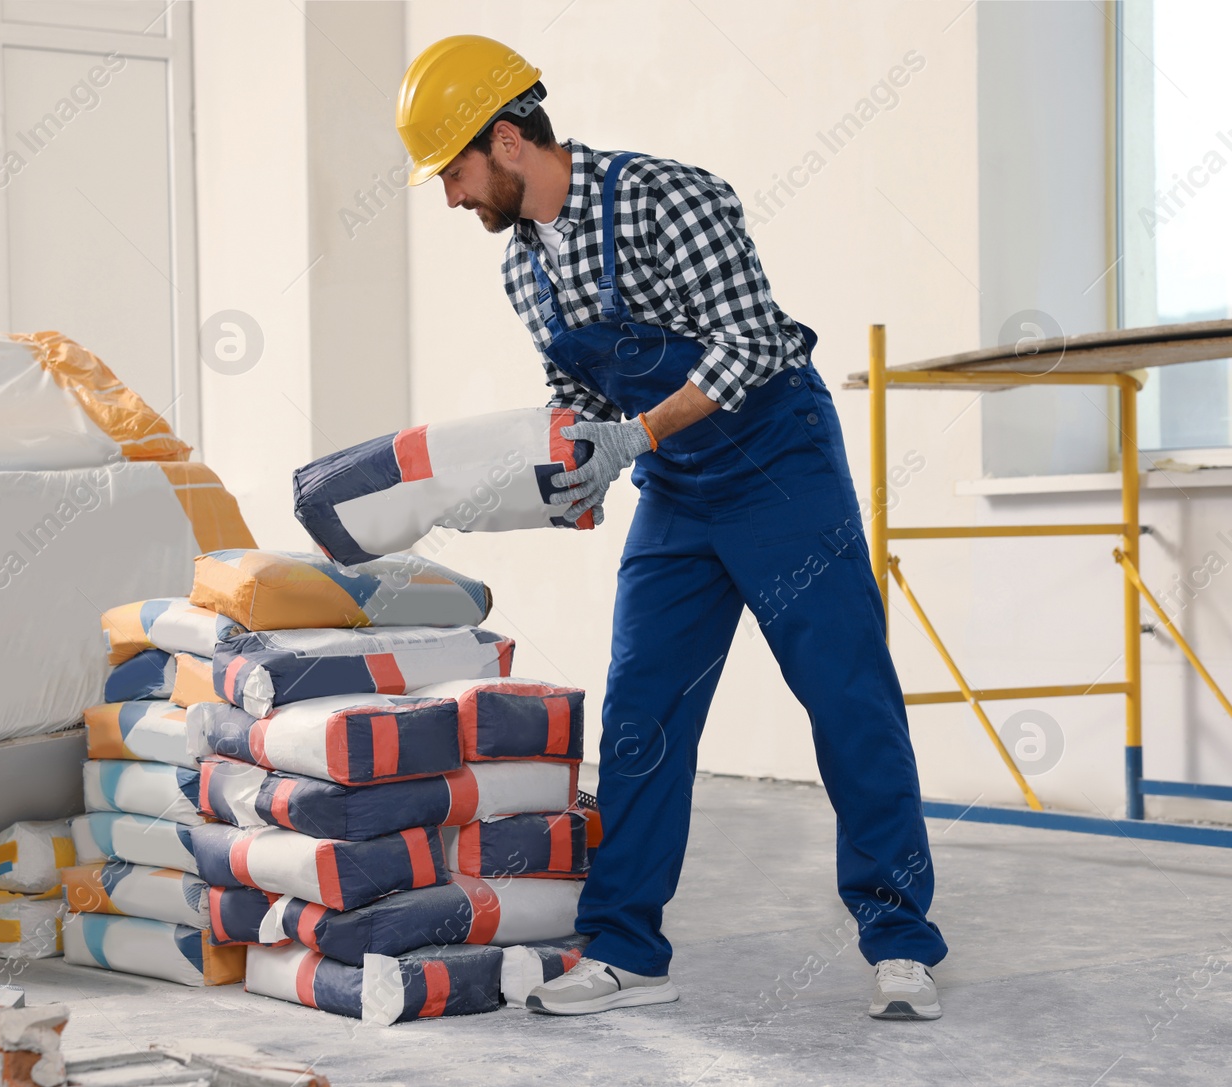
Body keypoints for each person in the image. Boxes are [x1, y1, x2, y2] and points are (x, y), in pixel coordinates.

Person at [395, 35, 947, 1020]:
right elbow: (574, 388)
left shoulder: (666, 199)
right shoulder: (525, 270)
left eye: (453, 171)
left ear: (508, 140)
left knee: (846, 698)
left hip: (780, 469)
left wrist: (632, 436)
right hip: (680, 491)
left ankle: (898, 937)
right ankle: (624, 947)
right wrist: (576, 473)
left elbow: (749, 341)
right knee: (640, 714)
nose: (450, 197)